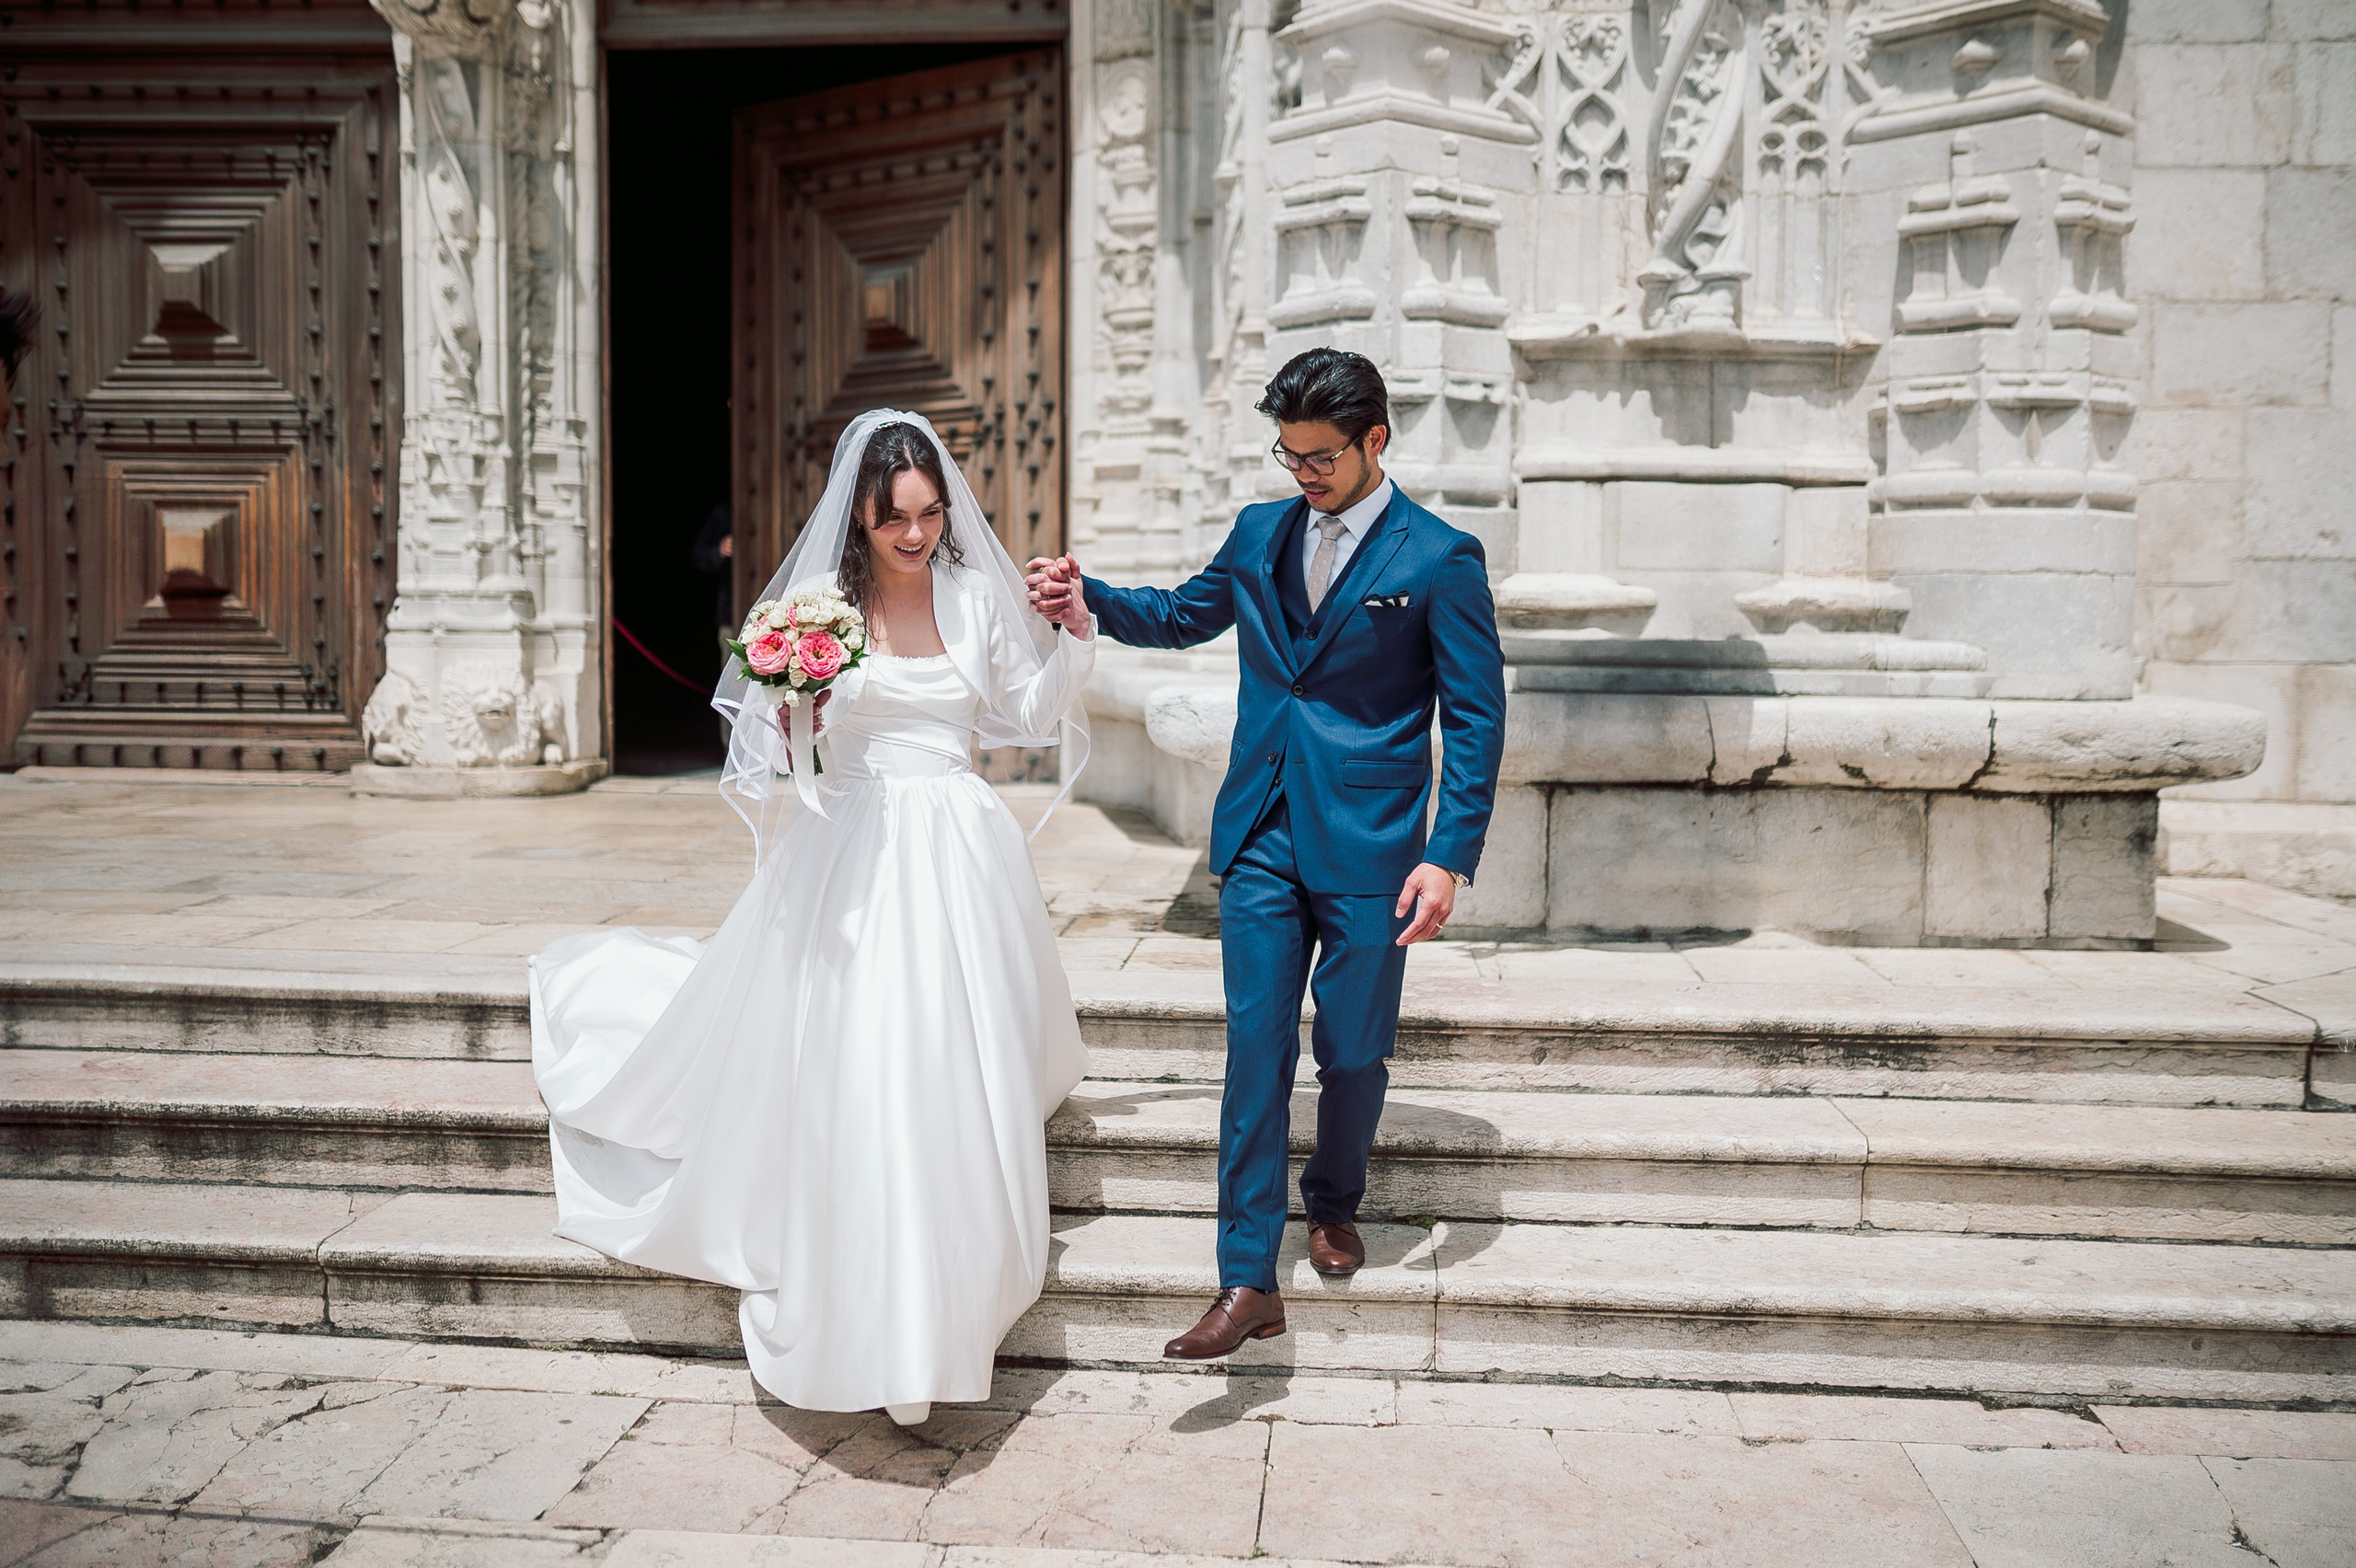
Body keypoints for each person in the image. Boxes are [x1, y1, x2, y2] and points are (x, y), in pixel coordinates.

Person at [530, 411, 1097, 1426]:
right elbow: (773, 745)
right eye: (895, 521)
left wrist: (1072, 636)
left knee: (947, 1051)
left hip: (961, 848)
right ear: (862, 521)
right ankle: (882, 1307)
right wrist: (803, 719)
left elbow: (1031, 714)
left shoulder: (974, 599)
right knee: (871, 1055)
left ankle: (945, 1300)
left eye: (928, 516)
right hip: (854, 849)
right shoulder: (821, 611)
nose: (916, 536)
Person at [1027, 347, 1506, 1358]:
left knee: (1354, 1048)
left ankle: (1333, 1199)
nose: (1304, 475)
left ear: (1375, 439)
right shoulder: (1258, 531)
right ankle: (1246, 1280)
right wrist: (1089, 599)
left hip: (1377, 845)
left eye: (1321, 456)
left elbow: (1473, 717)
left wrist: (1447, 855)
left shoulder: (1439, 557)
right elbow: (1180, 615)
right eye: (1288, 456)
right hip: (1257, 833)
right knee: (1254, 1051)